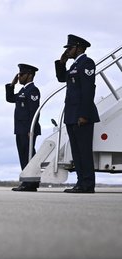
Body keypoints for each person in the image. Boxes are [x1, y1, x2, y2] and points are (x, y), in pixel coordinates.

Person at [55, 34, 100, 194]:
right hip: (72, 114)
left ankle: (87, 184)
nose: (67, 51)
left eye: (69, 48)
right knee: (77, 151)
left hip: (82, 114)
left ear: (78, 47)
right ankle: (81, 183)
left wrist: (84, 114)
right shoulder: (74, 65)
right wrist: (62, 63)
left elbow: (88, 90)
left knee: (84, 150)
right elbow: (62, 78)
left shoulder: (87, 63)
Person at [5, 63, 41, 192]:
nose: (19, 77)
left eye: (21, 74)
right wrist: (12, 85)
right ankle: (28, 181)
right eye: (18, 74)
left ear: (30, 75)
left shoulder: (33, 90)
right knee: (23, 155)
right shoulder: (23, 90)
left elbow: (34, 111)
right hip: (20, 128)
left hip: (27, 130)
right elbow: (10, 98)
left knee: (28, 155)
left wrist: (31, 130)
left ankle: (29, 182)